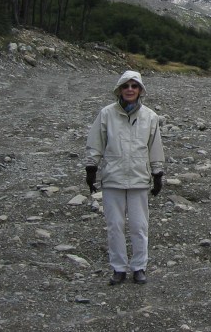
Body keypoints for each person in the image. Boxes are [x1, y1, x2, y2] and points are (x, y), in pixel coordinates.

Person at [85, 70, 165, 285]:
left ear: (140, 90)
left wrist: (157, 173)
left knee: (139, 226)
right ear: (119, 89)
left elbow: (154, 147)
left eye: (134, 86)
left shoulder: (150, 117)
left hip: (139, 178)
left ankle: (139, 267)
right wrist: (91, 168)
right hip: (113, 178)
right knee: (115, 225)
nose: (130, 89)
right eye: (126, 85)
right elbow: (96, 142)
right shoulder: (106, 114)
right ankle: (118, 268)